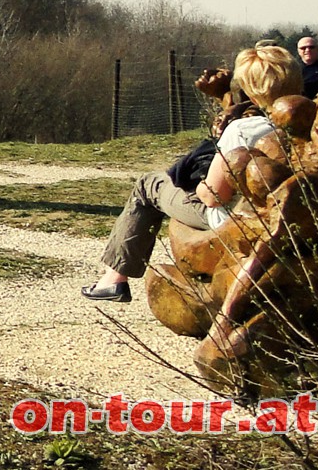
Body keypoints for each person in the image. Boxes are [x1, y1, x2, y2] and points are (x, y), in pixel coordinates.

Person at [81, 43, 300, 302]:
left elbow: (213, 196)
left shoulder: (244, 130)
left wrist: (197, 185)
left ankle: (114, 279)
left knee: (148, 184)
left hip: (231, 218)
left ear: (251, 93)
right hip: (286, 214)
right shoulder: (306, 121)